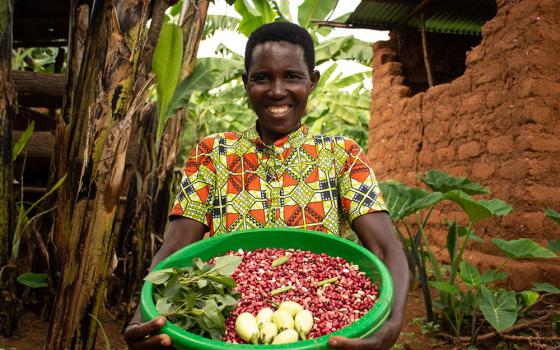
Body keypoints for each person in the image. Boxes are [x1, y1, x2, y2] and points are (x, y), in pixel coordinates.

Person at [124, 21, 409, 350]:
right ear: (246, 83)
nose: (277, 90)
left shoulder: (340, 155)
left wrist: (392, 325)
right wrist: (142, 313)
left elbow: (386, 249)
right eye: (262, 77)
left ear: (312, 82)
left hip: (317, 328)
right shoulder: (212, 155)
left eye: (292, 76)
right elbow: (175, 251)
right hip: (230, 332)